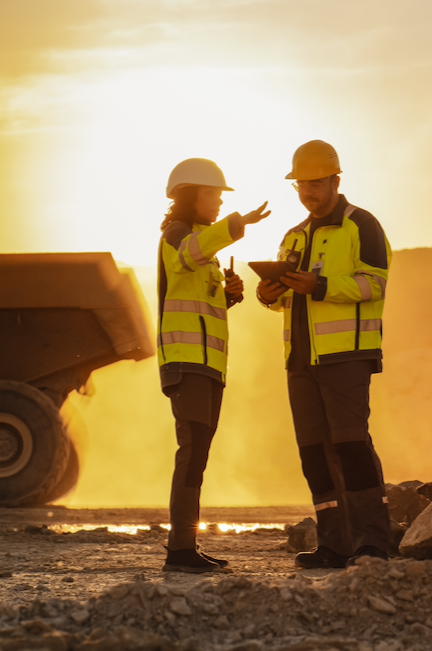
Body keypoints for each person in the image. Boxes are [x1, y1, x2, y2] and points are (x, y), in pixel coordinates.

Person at [256, 140, 393, 569]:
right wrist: (268, 293)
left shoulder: (362, 226)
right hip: (300, 361)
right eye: (301, 185)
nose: (308, 192)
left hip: (346, 356)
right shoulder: (294, 235)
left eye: (316, 183)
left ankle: (373, 542)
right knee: (313, 453)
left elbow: (375, 284)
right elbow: (285, 300)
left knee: (351, 446)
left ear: (335, 180)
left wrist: (321, 287)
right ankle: (333, 544)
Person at [157, 157, 269, 573]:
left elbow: (202, 303)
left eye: (223, 197)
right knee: (191, 453)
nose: (220, 202)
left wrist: (230, 296)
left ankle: (186, 545)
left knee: (198, 454)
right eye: (214, 194)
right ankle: (180, 550)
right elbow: (189, 253)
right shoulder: (177, 236)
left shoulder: (203, 243)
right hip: (186, 364)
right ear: (190, 196)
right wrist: (239, 224)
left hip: (208, 366)